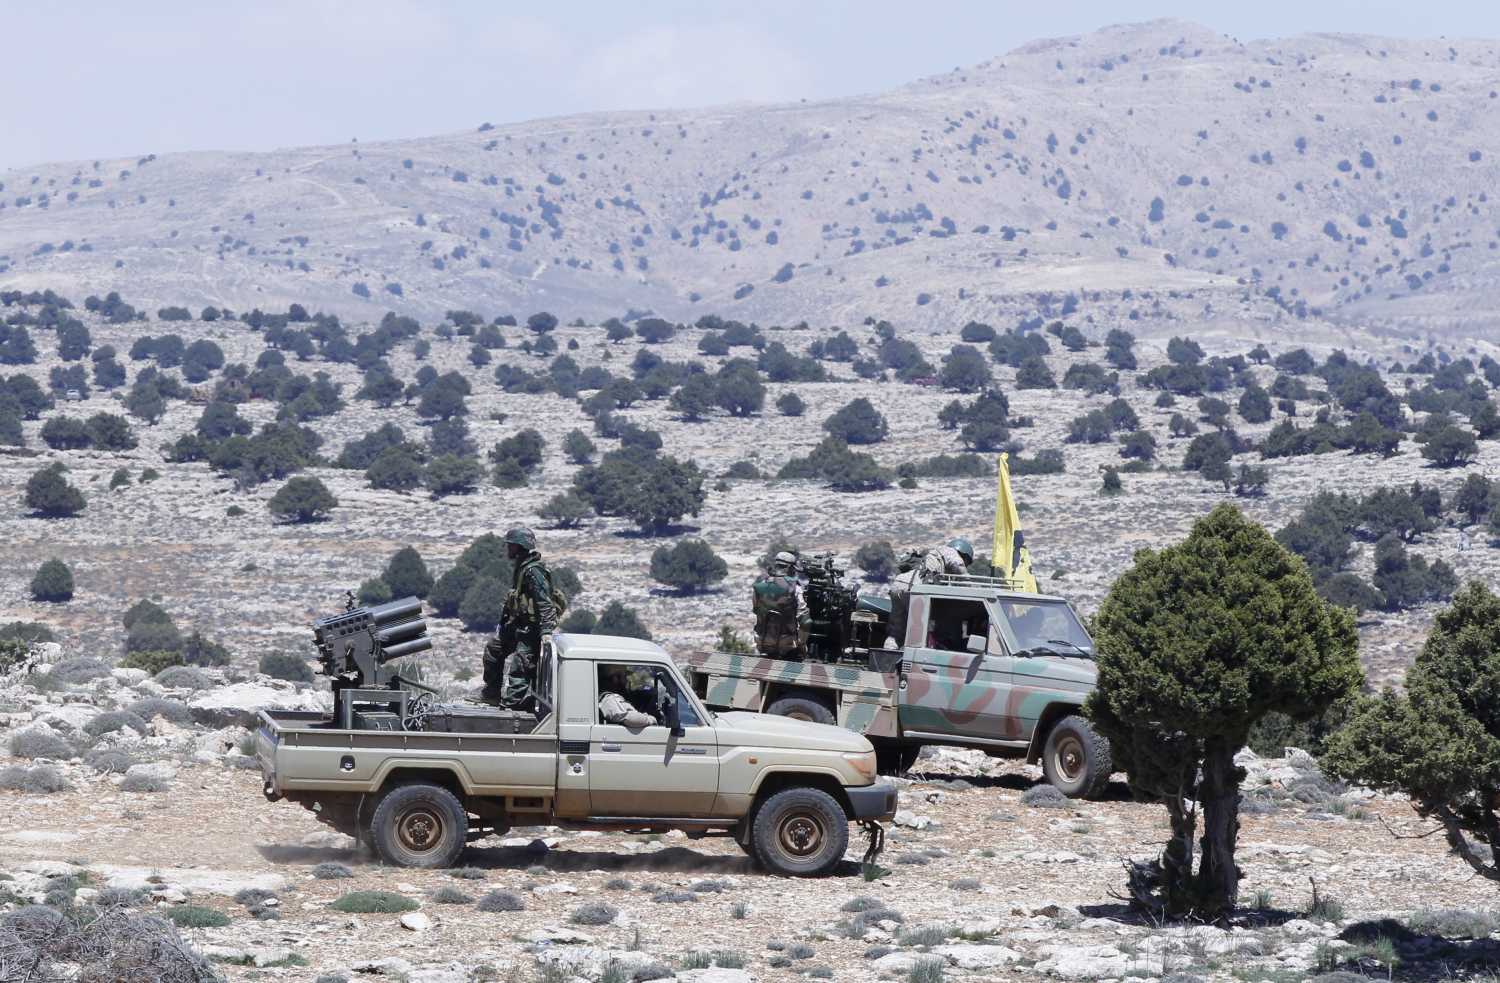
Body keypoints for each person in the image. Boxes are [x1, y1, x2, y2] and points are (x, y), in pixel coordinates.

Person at [482, 527, 559, 708]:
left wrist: (546, 631)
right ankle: (492, 694)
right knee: (494, 649)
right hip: (516, 626)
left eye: (511, 546)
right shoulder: (522, 567)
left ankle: (511, 706)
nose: (508, 549)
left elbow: (545, 602)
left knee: (520, 666)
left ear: (520, 546)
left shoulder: (534, 571)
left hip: (530, 629)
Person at [886, 538, 975, 648]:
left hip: (899, 584)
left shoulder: (935, 556)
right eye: (967, 562)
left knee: (896, 630)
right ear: (964, 554)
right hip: (915, 588)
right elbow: (960, 568)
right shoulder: (951, 552)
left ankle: (888, 653)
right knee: (921, 630)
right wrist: (973, 588)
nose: (966, 564)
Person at [752, 551, 810, 657]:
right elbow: (806, 622)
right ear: (790, 568)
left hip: (762, 643)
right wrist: (801, 644)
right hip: (787, 645)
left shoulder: (759, 587)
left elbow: (756, 611)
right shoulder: (795, 589)